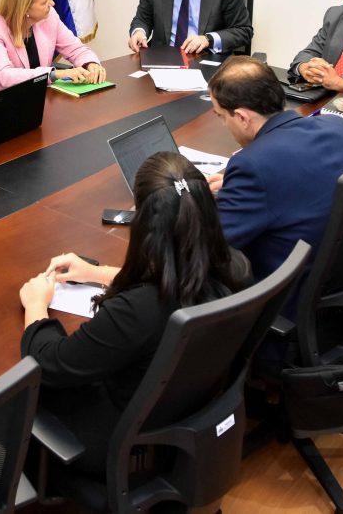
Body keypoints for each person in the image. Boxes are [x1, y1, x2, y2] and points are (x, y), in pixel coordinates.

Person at [19, 152, 250, 474]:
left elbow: (49, 363)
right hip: (188, 410)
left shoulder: (137, 311)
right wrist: (97, 273)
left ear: (143, 222)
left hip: (117, 439)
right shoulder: (236, 266)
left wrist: (35, 305)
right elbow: (179, 276)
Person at [206, 56, 343, 281]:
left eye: (221, 116)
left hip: (283, 288)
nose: (223, 124)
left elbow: (213, 246)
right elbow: (301, 179)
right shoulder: (337, 127)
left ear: (241, 117)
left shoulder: (252, 165)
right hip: (342, 272)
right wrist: (237, 188)